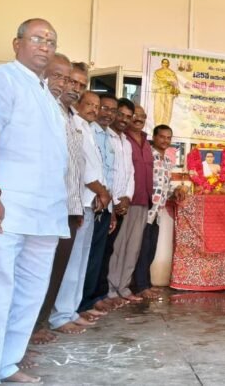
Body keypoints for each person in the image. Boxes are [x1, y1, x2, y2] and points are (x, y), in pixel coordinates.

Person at [0, 18, 68, 386]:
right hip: (5, 209)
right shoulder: (2, 79)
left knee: (29, 294)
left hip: (44, 214)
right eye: (37, 38)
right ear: (16, 43)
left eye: (51, 41)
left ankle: (6, 364)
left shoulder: (45, 93)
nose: (45, 46)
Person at [29, 52, 84, 346]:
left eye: (76, 83)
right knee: (40, 270)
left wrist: (76, 206)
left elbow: (74, 166)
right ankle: (33, 325)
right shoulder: (45, 108)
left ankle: (41, 320)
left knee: (57, 269)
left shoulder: (69, 116)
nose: (69, 86)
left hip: (69, 206)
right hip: (47, 205)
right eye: (63, 79)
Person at [49, 90, 107, 335]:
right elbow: (83, 170)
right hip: (77, 203)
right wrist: (102, 192)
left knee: (81, 263)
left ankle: (71, 310)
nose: (94, 109)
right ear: (79, 104)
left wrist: (102, 194)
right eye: (90, 104)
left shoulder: (89, 129)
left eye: (97, 105)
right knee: (71, 264)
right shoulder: (74, 125)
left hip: (89, 203)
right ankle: (59, 315)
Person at [101, 105, 152, 308]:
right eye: (134, 116)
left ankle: (124, 287)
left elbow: (133, 173)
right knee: (118, 247)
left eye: (141, 116)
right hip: (123, 202)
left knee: (133, 248)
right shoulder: (119, 138)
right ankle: (111, 289)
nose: (138, 119)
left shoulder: (145, 142)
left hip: (142, 200)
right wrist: (122, 198)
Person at [77, 92, 119, 310]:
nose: (106, 113)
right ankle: (80, 304)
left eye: (113, 110)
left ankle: (89, 300)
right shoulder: (86, 128)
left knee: (95, 256)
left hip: (105, 203)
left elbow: (112, 174)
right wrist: (102, 194)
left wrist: (112, 206)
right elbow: (87, 171)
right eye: (103, 107)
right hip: (89, 201)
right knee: (81, 258)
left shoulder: (110, 137)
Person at [133, 124, 176, 297]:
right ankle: (140, 286)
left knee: (150, 249)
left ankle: (146, 283)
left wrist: (176, 192)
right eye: (162, 137)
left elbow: (167, 186)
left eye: (168, 138)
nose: (165, 140)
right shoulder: (148, 155)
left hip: (157, 212)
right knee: (142, 249)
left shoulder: (168, 161)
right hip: (145, 209)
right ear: (154, 137)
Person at [152, 58, 181, 126]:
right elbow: (154, 83)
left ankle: (166, 125)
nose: (165, 64)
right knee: (158, 108)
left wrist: (174, 90)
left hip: (169, 93)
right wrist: (164, 83)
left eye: (166, 63)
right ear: (161, 64)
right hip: (159, 92)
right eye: (164, 63)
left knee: (168, 109)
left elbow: (175, 83)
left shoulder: (172, 73)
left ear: (168, 64)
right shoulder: (157, 72)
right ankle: (157, 125)